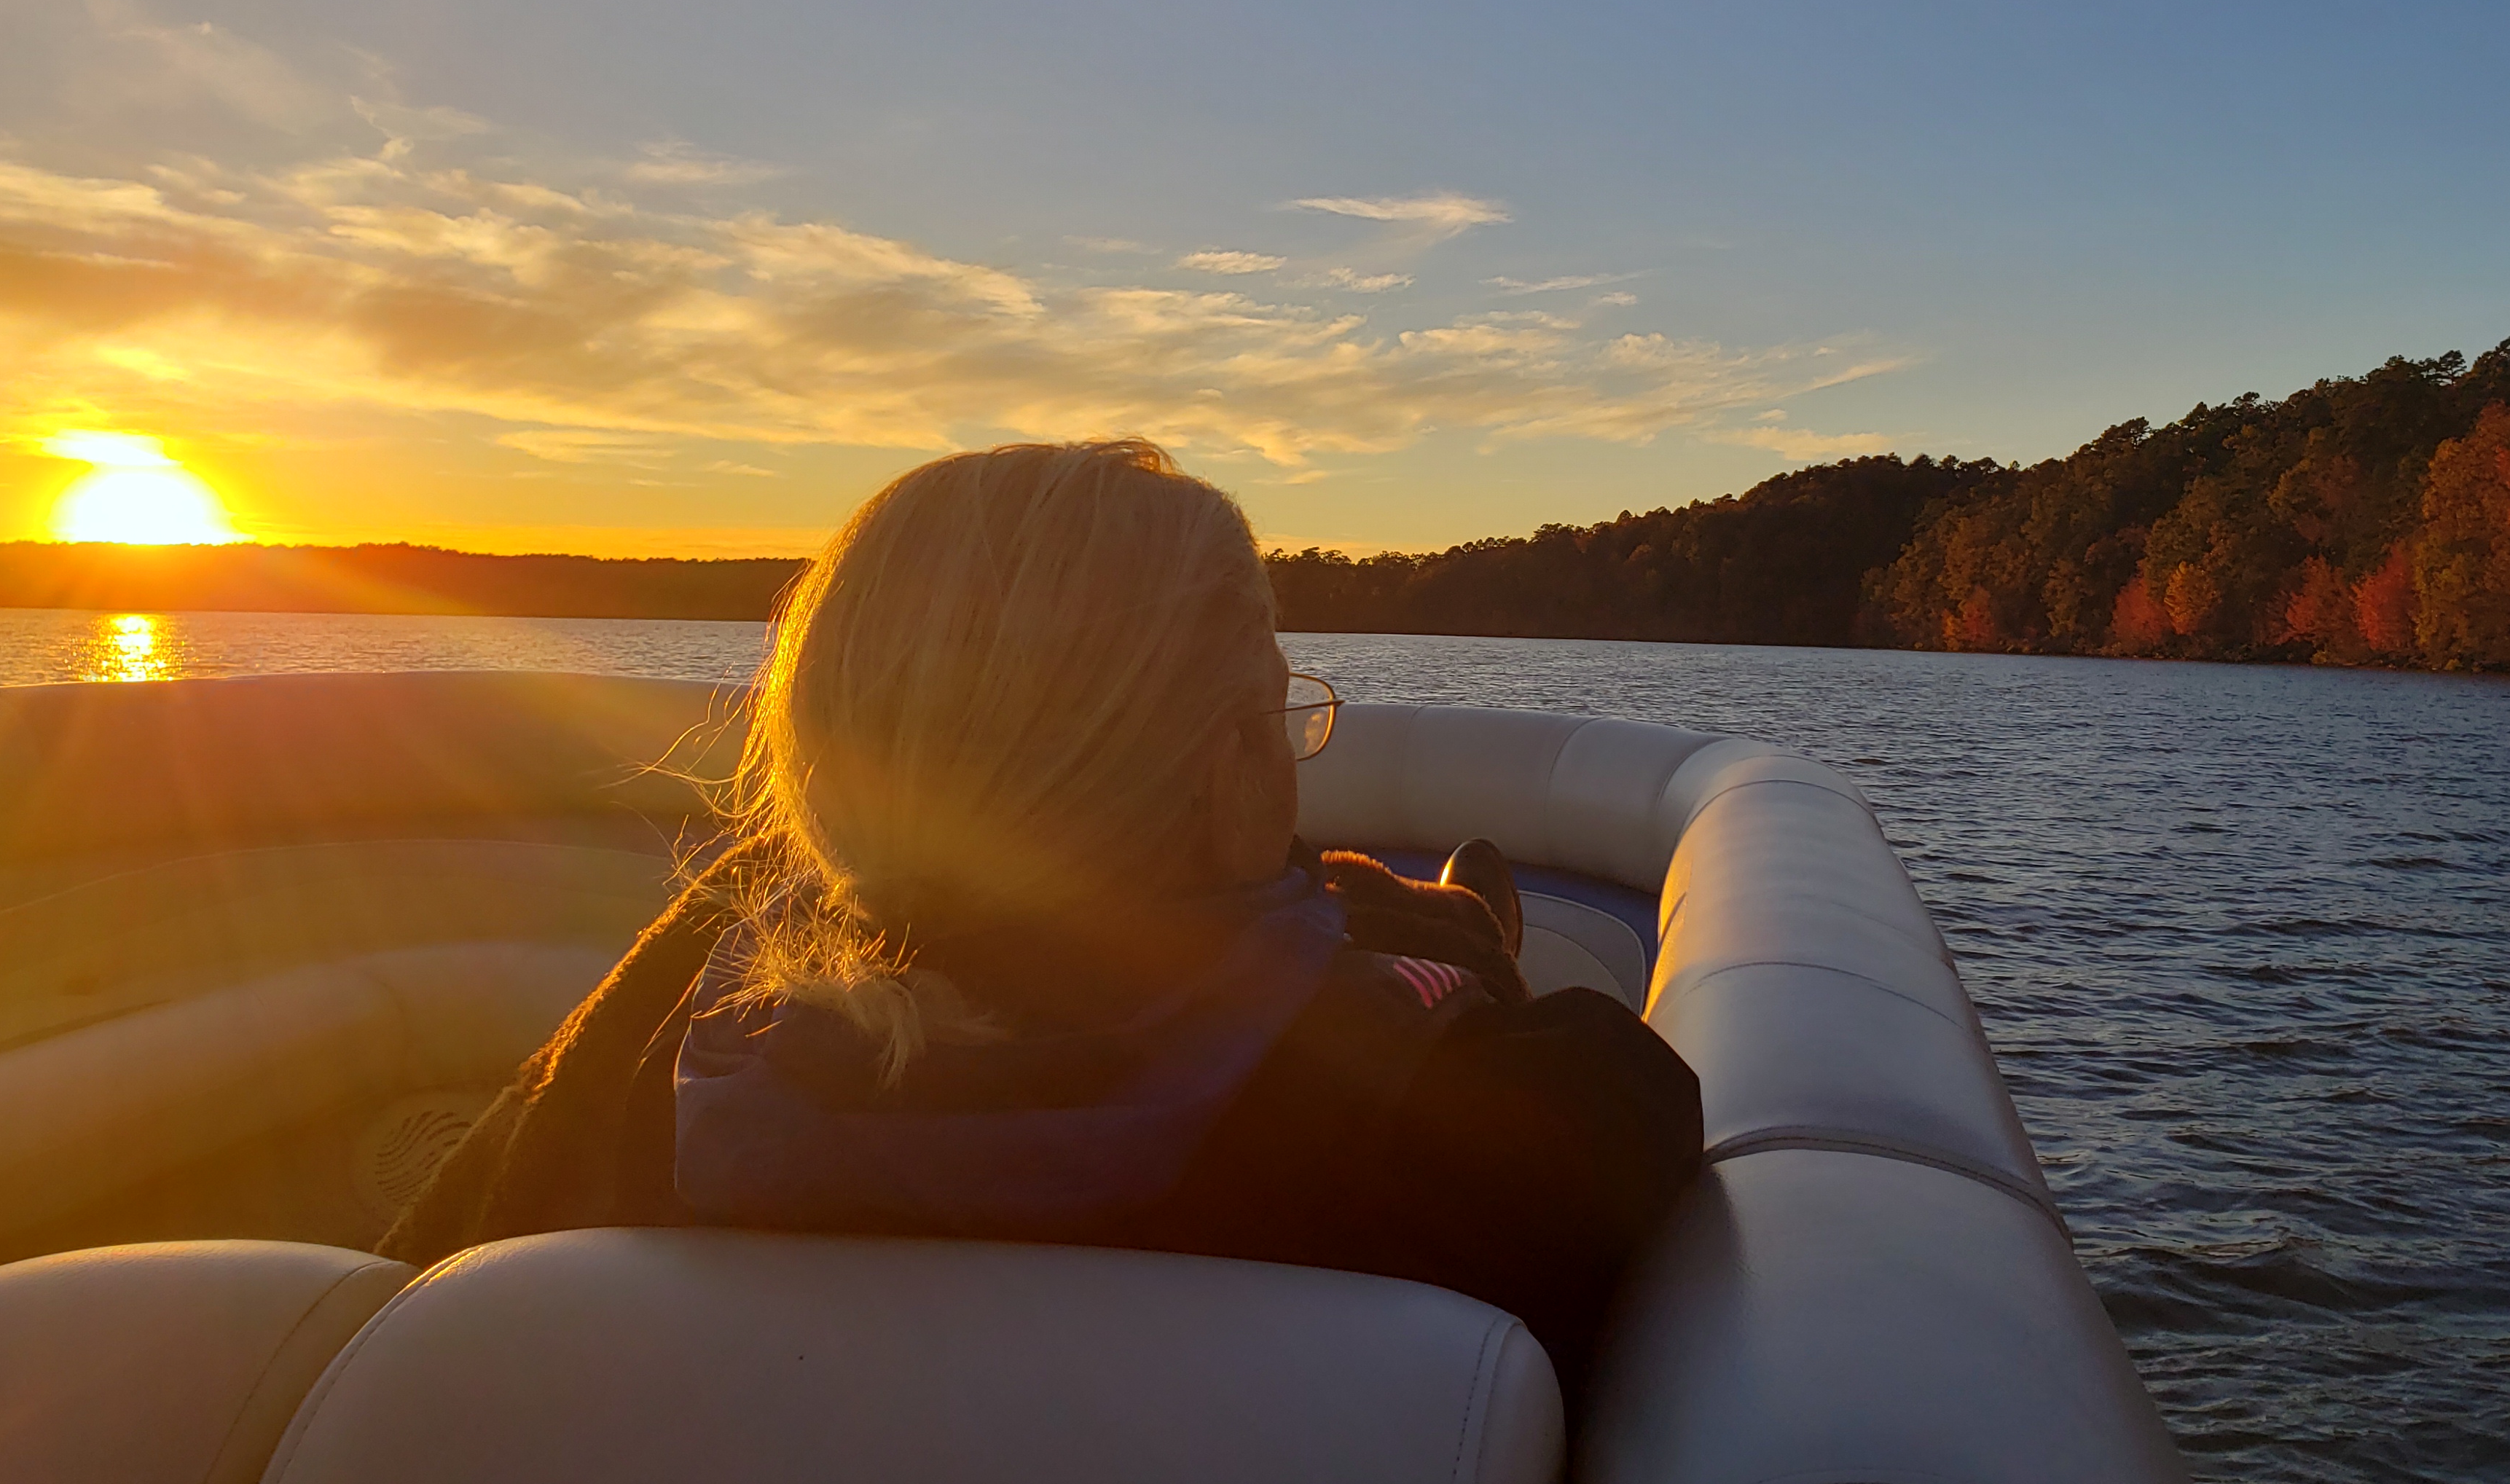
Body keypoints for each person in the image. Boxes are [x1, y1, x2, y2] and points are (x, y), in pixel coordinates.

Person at [382, 439, 1700, 1399]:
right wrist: (1454, 951)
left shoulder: (678, 1014)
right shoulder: (1527, 1111)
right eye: (1284, 718)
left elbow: (414, 1286)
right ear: (1234, 767)